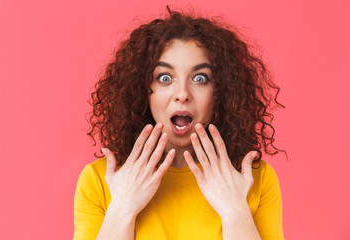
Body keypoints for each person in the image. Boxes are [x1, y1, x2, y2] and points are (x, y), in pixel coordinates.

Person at [74, 7, 285, 240]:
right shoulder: (102, 179)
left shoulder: (253, 179)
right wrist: (122, 208)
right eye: (165, 78)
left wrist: (234, 211)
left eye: (200, 78)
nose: (182, 94)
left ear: (222, 92)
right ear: (142, 91)